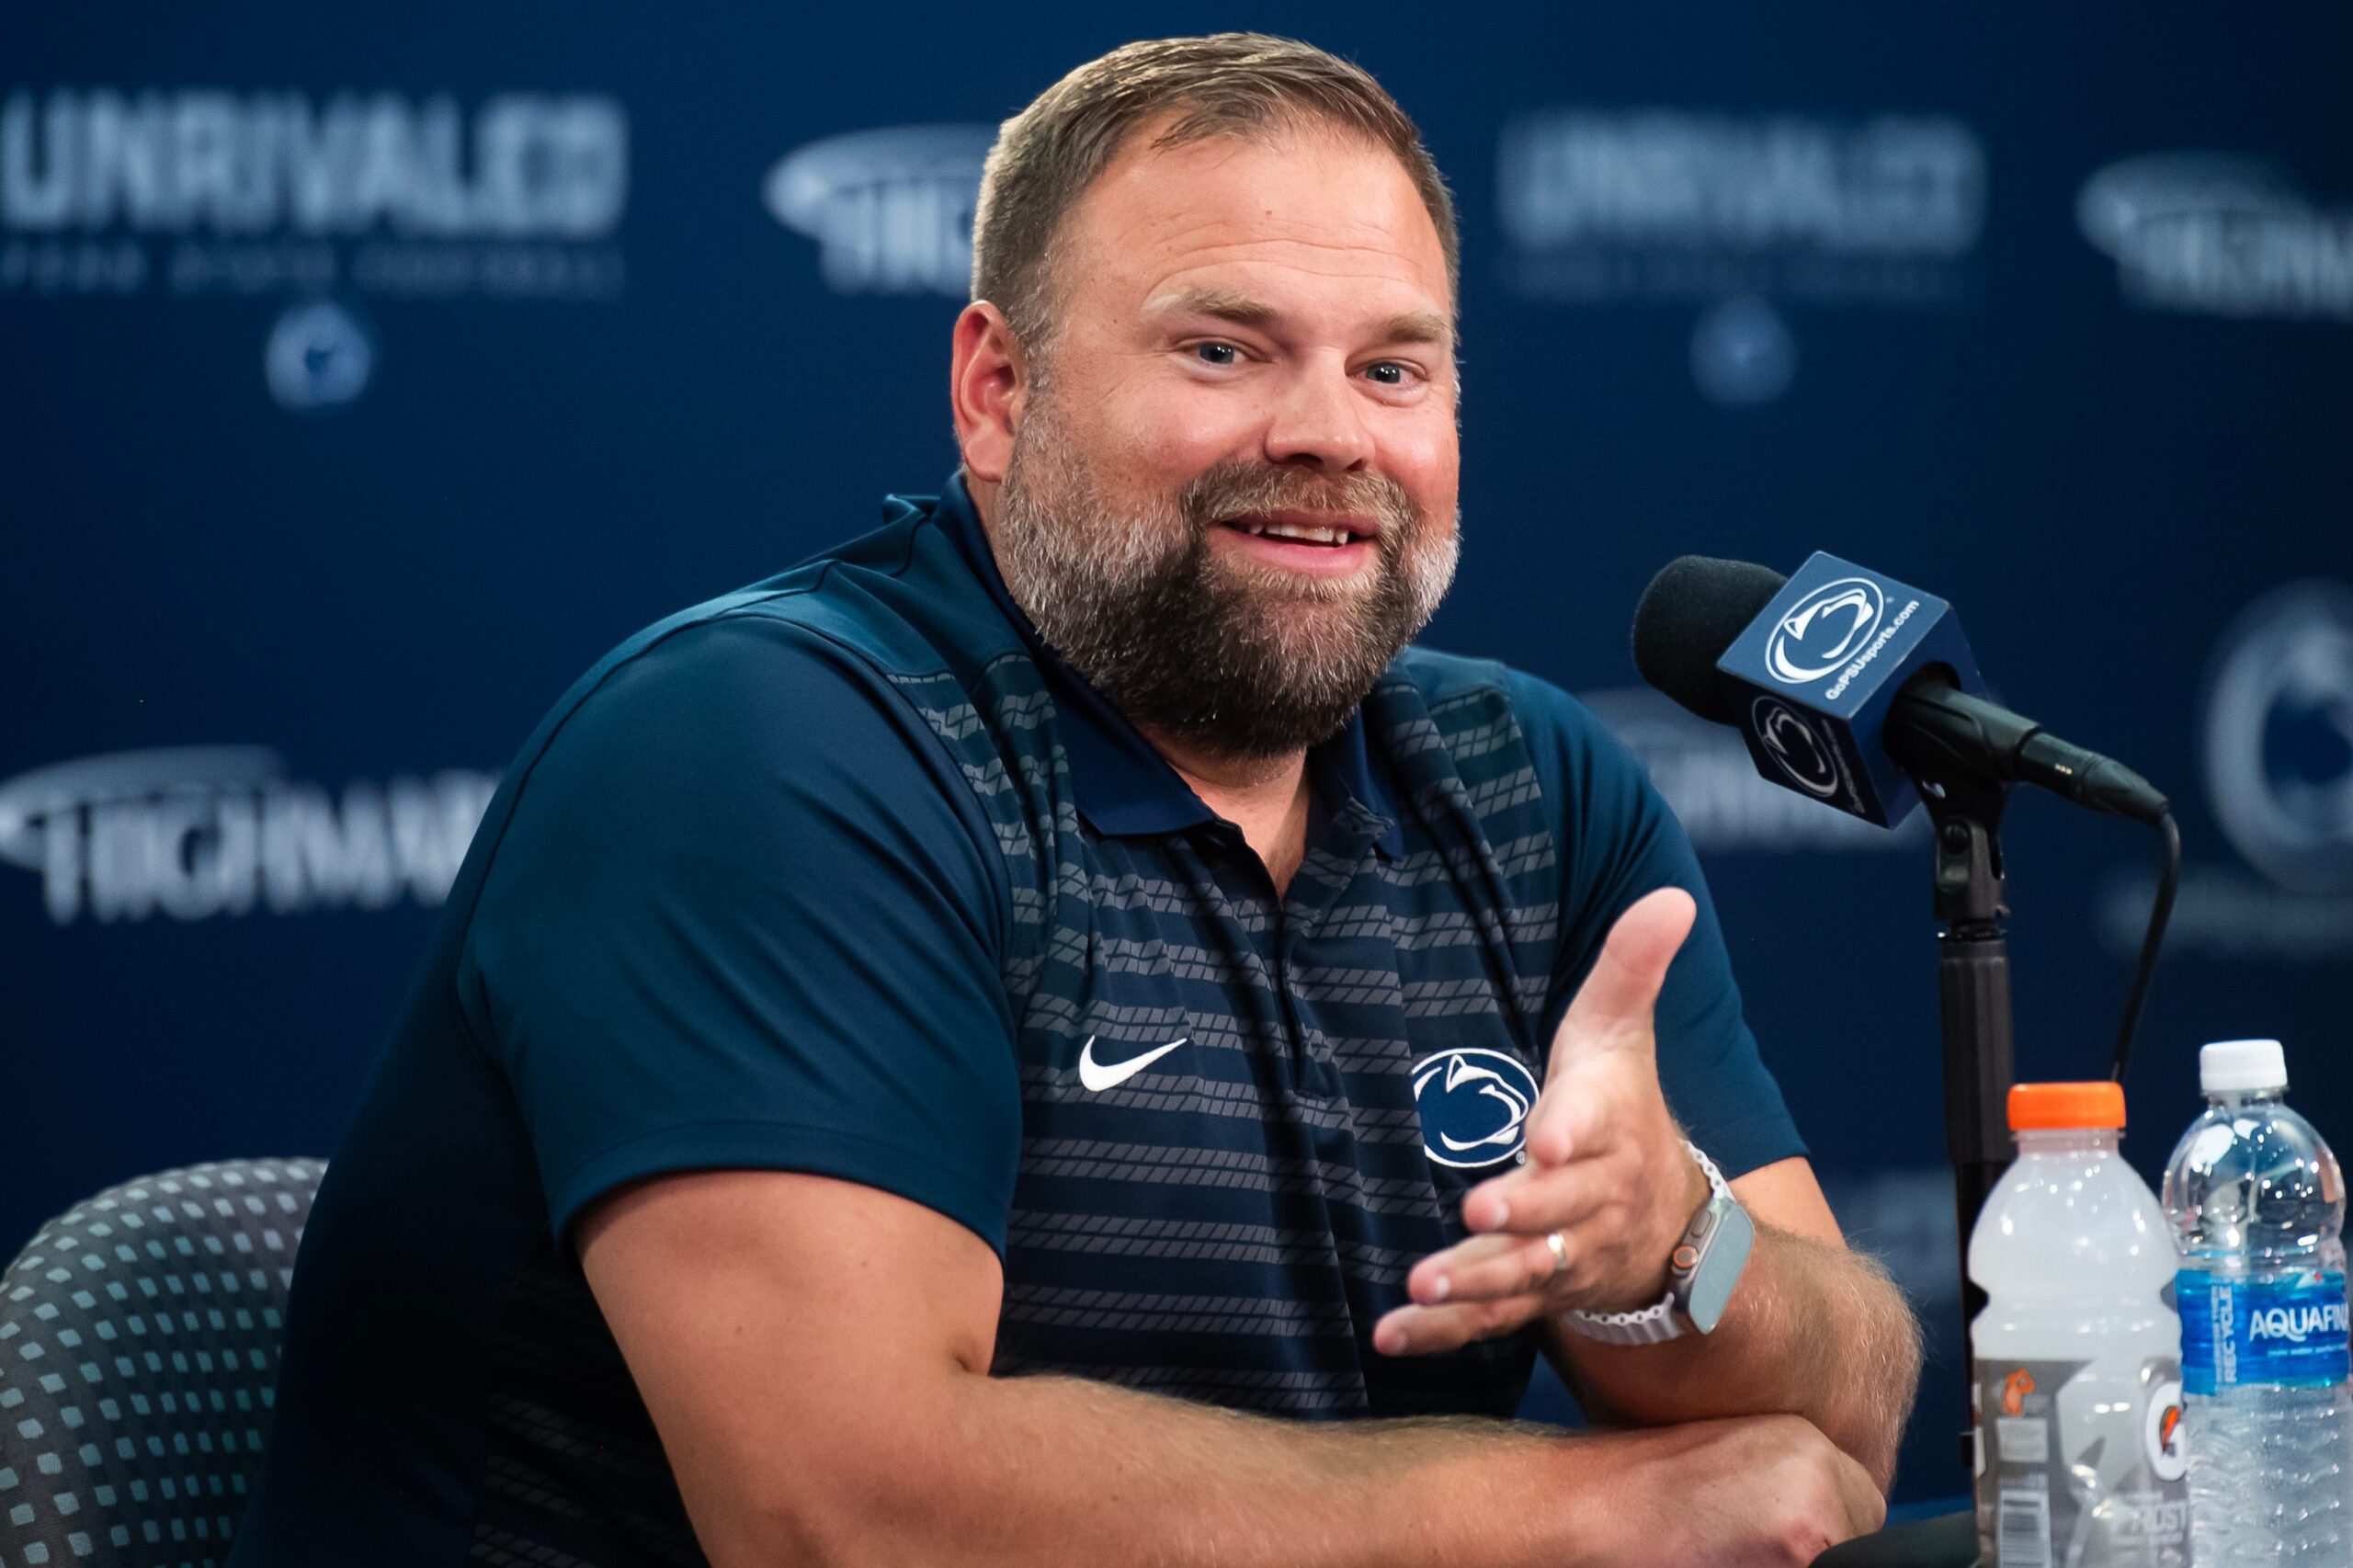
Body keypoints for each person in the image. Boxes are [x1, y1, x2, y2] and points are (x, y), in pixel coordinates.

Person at [230, 33, 1921, 1568]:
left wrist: (1671, 1253)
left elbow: (1839, 1417)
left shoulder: (1533, 790)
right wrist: (1576, 1511)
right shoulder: (765, 745)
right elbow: (845, 1514)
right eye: (1223, 346)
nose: (1330, 431)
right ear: (996, 391)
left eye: (1395, 370)